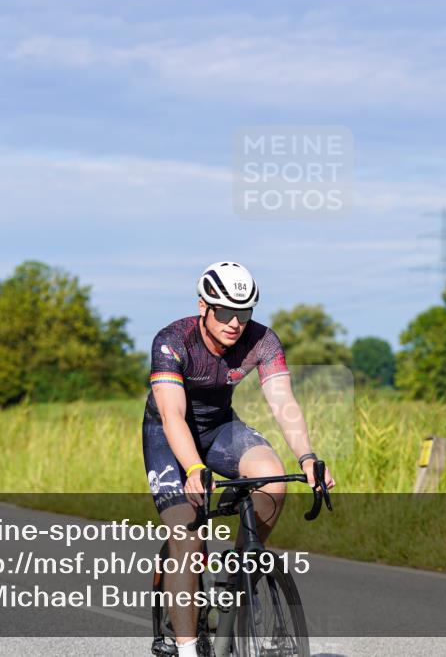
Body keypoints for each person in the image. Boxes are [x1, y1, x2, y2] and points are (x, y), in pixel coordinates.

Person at [143, 261, 335, 657]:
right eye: (226, 312)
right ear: (204, 307)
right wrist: (194, 469)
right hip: (170, 433)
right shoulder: (172, 341)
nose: (235, 323)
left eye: (244, 312)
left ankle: (240, 571)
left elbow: (283, 402)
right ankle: (187, 648)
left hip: (220, 429)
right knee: (188, 536)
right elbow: (173, 415)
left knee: (273, 479)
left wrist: (308, 457)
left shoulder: (263, 341)